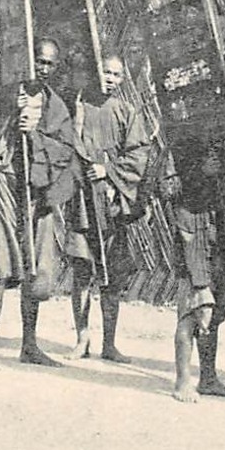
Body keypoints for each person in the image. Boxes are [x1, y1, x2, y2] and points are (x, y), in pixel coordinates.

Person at [0, 37, 78, 370]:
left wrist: (34, 134)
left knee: (35, 269)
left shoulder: (57, 107)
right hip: (7, 185)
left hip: (38, 193)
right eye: (39, 61)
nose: (44, 68)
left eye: (50, 63)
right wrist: (11, 115)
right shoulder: (6, 94)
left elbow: (65, 152)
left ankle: (29, 344)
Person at [64, 53, 152, 362]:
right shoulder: (78, 107)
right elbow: (68, 144)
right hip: (83, 200)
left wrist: (108, 170)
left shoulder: (127, 112)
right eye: (106, 72)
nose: (110, 79)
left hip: (112, 201)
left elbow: (139, 153)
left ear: (123, 78)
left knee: (112, 276)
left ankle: (109, 343)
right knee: (82, 271)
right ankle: (81, 337)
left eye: (116, 74)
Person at [168, 136, 225, 402]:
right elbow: (166, 189)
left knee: (214, 313)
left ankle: (209, 377)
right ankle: (182, 381)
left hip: (220, 241)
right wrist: (198, 173)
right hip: (193, 239)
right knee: (192, 310)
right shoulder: (176, 149)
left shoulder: (221, 150)